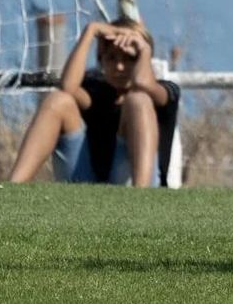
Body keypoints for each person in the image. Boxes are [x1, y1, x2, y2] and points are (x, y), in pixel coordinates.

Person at [9, 17, 179, 187]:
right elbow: (67, 87)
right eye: (111, 58)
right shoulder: (96, 91)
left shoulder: (165, 91)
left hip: (132, 185)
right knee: (58, 100)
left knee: (137, 100)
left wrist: (144, 49)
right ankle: (10, 189)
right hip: (89, 183)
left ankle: (142, 200)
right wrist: (90, 31)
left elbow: (142, 83)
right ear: (101, 61)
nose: (119, 66)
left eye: (129, 58)